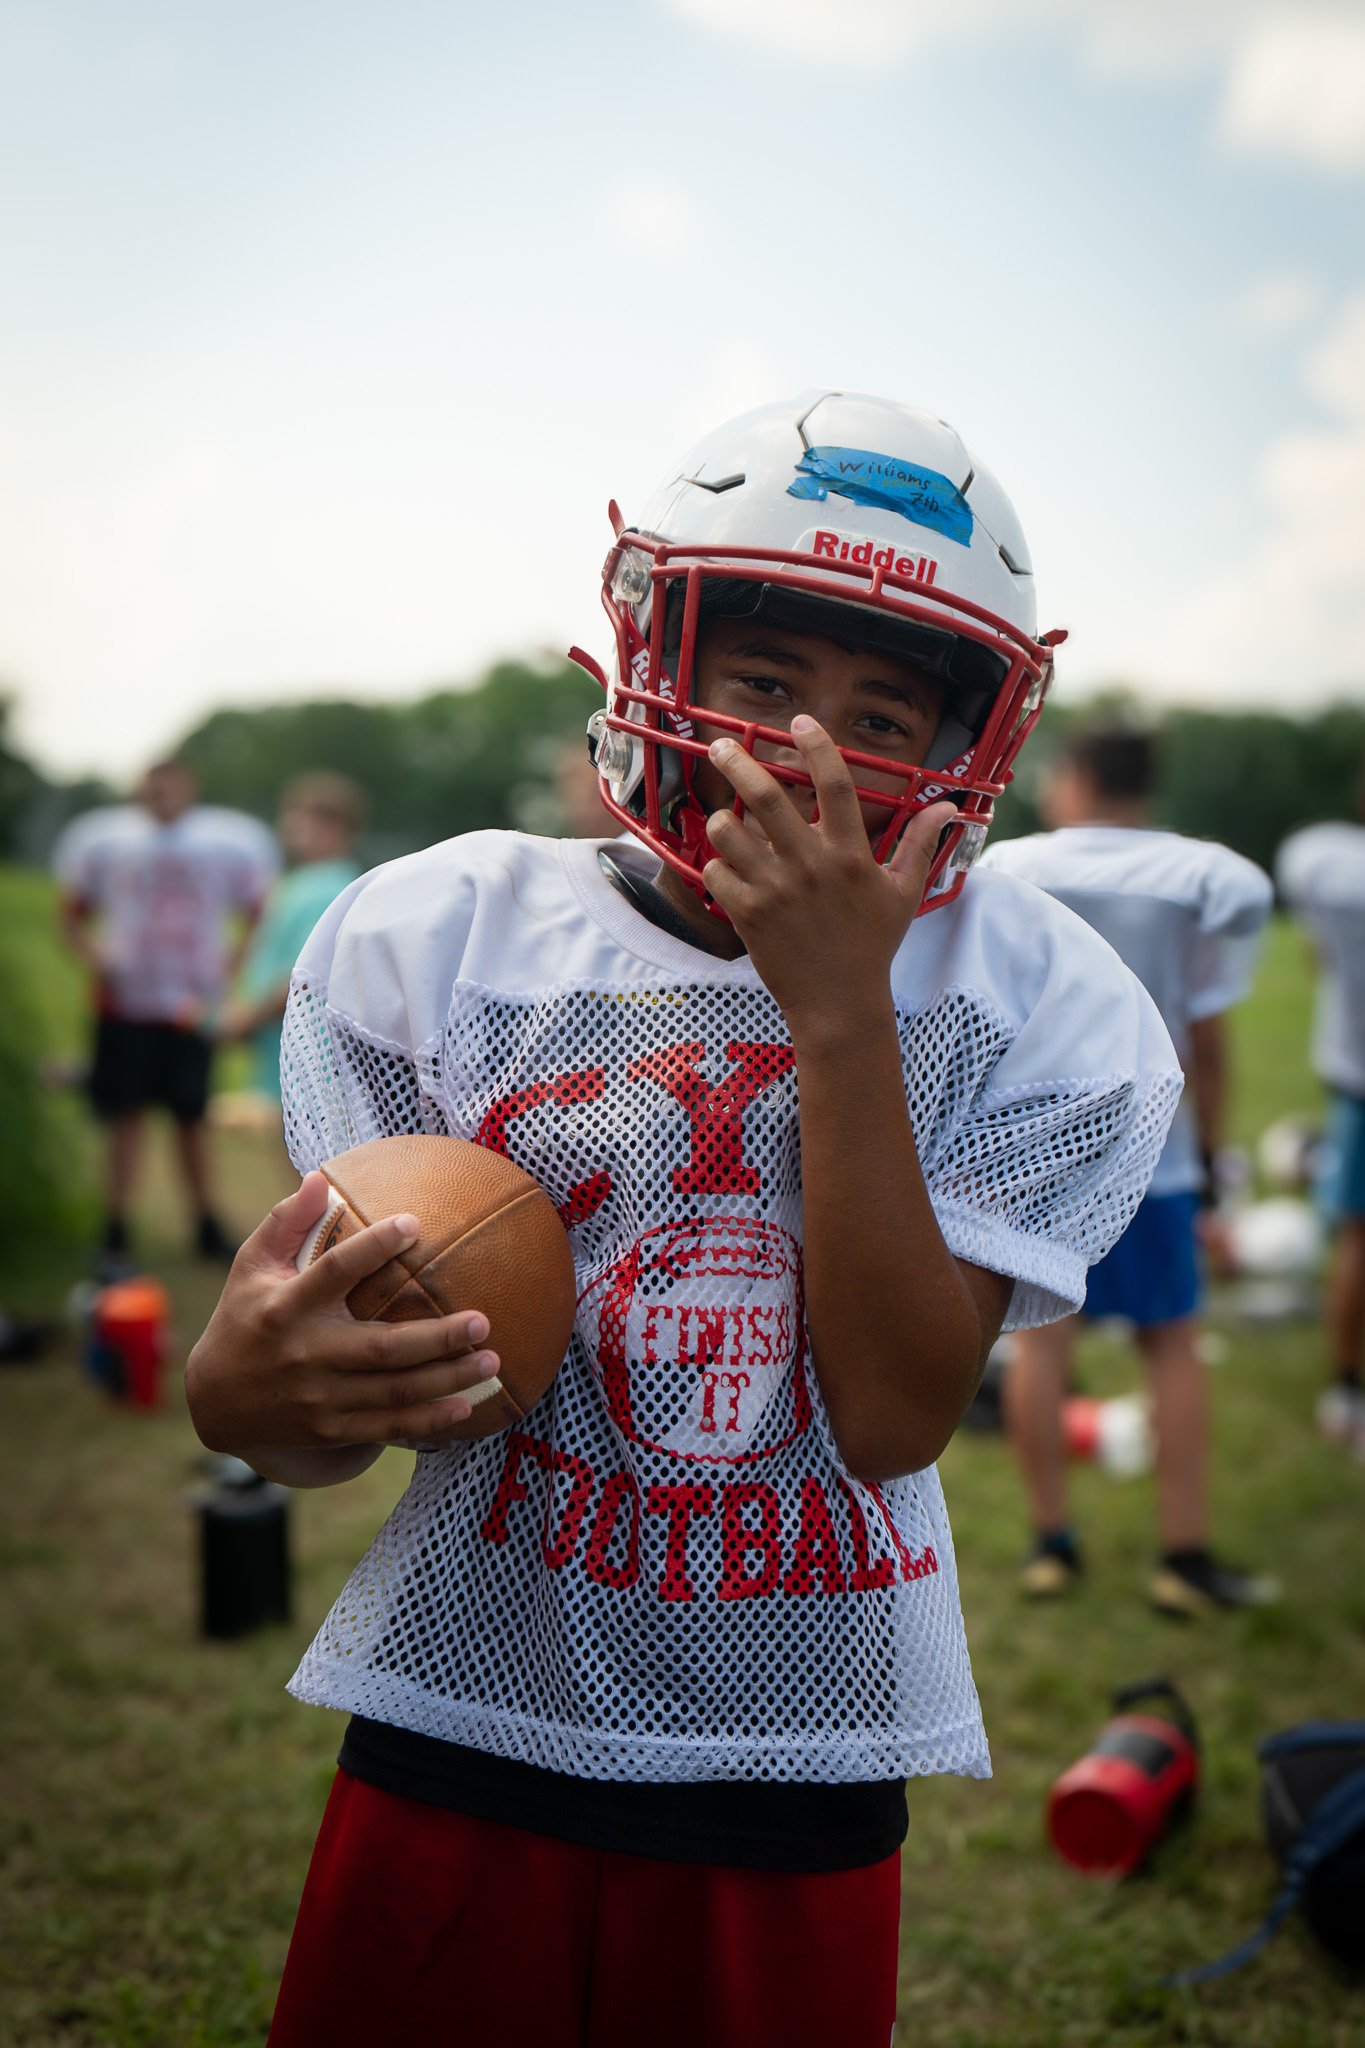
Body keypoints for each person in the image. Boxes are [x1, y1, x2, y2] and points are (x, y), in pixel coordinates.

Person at [185, 392, 1182, 2048]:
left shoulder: (1028, 1000)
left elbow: (888, 1416)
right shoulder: (449, 936)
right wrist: (242, 1394)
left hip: (796, 1746)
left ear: (970, 744)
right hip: (472, 1700)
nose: (812, 752)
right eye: (769, 686)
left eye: (880, 707)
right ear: (662, 664)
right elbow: (328, 1413)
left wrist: (844, 1015)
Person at [981, 726, 1276, 1615]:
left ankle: (1050, 1546)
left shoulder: (1014, 866)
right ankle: (1180, 1558)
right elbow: (1209, 1042)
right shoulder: (1200, 875)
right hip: (1157, 1151)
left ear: (1072, 779)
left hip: (1043, 1151)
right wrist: (1214, 1162)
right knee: (1172, 1347)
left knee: (1042, 1347)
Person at [53, 758, 276, 1261]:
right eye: (152, 789)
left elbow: (258, 911)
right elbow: (70, 913)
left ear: (189, 788)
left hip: (189, 1005)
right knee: (125, 1116)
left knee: (190, 1115)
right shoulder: (106, 843)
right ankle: (116, 1226)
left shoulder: (224, 846)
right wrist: (96, 959)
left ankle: (204, 1220)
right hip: (126, 1004)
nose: (161, 798)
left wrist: (232, 967)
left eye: (170, 787)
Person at [1276, 776, 1365, 1457]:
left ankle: (1344, 1387)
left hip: (1352, 1075)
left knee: (1353, 1238)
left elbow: (1316, 952)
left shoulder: (1326, 863)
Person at [218, 772, 367, 1104]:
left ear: (336, 828)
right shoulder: (303, 881)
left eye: (306, 818)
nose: (291, 826)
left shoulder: (330, 886)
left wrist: (245, 1019)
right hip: (284, 1041)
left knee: (305, 1152)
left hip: (311, 1050)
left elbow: (304, 974)